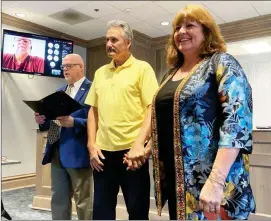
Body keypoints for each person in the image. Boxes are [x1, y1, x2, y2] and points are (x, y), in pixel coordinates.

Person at [125, 4, 256, 220]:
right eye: (177, 28)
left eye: (190, 25)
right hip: (177, 183)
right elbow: (166, 119)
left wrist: (215, 181)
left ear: (206, 31)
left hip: (213, 184)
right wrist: (145, 146)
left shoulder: (221, 63)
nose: (181, 32)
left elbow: (237, 125)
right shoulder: (171, 74)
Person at [85, 20, 159, 220]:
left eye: (114, 40)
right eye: (107, 40)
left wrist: (138, 146)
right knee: (101, 213)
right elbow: (93, 110)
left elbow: (152, 109)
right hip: (102, 156)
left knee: (137, 212)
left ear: (128, 43)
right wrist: (91, 145)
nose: (109, 44)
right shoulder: (100, 73)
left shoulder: (143, 69)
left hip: (132, 156)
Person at [34, 54, 93, 220]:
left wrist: (75, 122)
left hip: (78, 152)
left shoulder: (92, 89)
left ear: (80, 67)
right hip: (56, 150)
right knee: (58, 199)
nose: (65, 70)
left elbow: (99, 122)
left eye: (69, 66)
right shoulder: (59, 91)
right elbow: (52, 120)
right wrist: (41, 120)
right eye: (63, 67)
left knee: (83, 201)